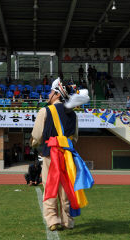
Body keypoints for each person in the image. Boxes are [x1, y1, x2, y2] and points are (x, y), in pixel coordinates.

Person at [31, 77, 93, 231]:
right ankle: (68, 221)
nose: (49, 94)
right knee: (65, 188)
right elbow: (75, 137)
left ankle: (52, 220)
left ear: (57, 94)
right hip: (67, 155)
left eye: (51, 91)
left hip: (50, 153)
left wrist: (34, 144)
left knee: (50, 185)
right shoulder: (73, 114)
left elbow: (37, 135)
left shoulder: (45, 111)